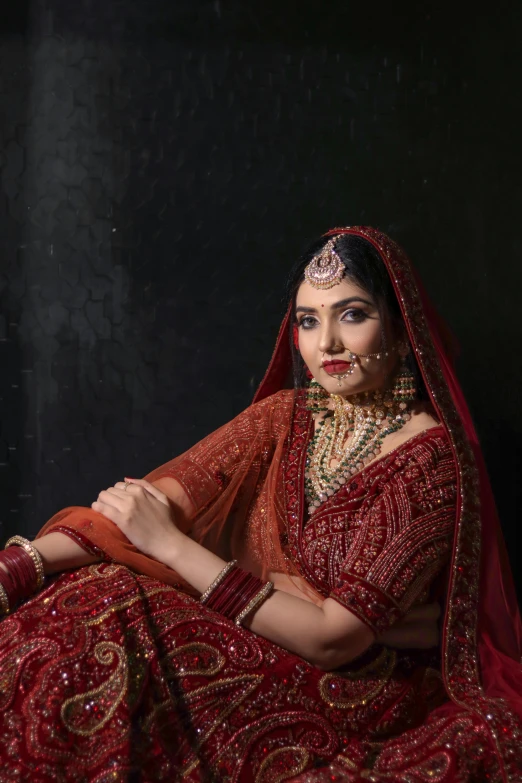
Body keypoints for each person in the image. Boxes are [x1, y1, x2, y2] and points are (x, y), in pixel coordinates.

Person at [0, 226, 521, 783]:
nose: (327, 345)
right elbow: (148, 506)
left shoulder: (428, 461)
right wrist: (22, 565)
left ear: (399, 326)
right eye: (308, 320)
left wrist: (172, 546)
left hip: (354, 691)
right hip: (259, 638)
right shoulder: (286, 416)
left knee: (115, 611)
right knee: (88, 594)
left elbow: (331, 639)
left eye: (351, 315)